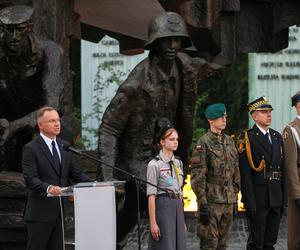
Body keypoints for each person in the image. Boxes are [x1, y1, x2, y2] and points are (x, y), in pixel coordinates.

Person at [97, 12, 197, 248]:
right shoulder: (136, 85)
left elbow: (186, 118)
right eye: (166, 40)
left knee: (144, 207)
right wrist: (107, 180)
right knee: (154, 201)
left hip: (165, 155)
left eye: (177, 40)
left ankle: (114, 242)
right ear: (155, 42)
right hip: (135, 161)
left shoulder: (185, 71)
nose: (172, 46)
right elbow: (109, 129)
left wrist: (182, 162)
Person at [0, 5, 65, 171]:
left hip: (39, 121)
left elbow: (53, 105)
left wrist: (14, 126)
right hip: (5, 120)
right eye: (9, 30)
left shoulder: (50, 51)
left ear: (29, 28)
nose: (14, 37)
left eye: (20, 30)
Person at [22, 107, 91, 250]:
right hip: (39, 214)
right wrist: (48, 188)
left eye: (58, 120)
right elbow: (30, 178)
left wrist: (96, 185)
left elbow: (76, 174)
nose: (57, 124)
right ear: (40, 125)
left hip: (61, 213)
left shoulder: (65, 146)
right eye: (52, 121)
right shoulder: (31, 148)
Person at [238, 96, 287, 250]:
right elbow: (245, 175)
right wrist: (249, 201)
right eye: (264, 112)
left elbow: (283, 169)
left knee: (270, 242)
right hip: (259, 197)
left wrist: (283, 197)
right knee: (256, 243)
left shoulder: (277, 136)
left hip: (275, 196)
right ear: (254, 116)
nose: (269, 115)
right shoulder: (248, 138)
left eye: (269, 111)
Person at [190, 103, 240, 250]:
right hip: (211, 202)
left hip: (228, 201)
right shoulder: (203, 142)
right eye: (220, 117)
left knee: (223, 244)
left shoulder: (229, 141)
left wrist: (234, 195)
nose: (224, 119)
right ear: (211, 120)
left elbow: (236, 171)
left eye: (225, 116)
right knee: (209, 243)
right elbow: (197, 174)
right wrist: (203, 202)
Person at [147, 118, 186, 250]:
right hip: (163, 206)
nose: (175, 142)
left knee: (179, 245)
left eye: (176, 139)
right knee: (165, 245)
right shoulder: (154, 164)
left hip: (177, 207)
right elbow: (151, 195)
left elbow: (180, 191)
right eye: (171, 139)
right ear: (162, 142)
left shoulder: (178, 163)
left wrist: (182, 218)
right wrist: (153, 223)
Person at [282, 90, 300, 250]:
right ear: (299, 106)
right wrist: (296, 193)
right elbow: (290, 164)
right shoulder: (291, 129)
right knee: (296, 234)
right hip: (299, 185)